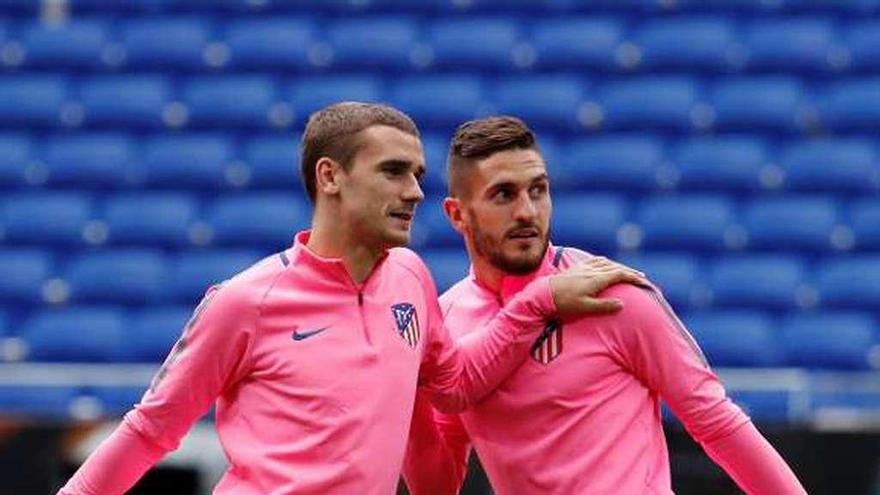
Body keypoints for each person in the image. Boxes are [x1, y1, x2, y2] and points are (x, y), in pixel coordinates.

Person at [56, 103, 649, 495]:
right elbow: (150, 430)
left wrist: (538, 300)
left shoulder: (411, 279)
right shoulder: (245, 301)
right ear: (330, 177)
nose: (415, 191)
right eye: (394, 172)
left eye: (418, 173)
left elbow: (457, 385)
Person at [403, 116, 807, 495]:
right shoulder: (449, 318)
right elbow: (437, 483)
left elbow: (716, 421)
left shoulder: (612, 292)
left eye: (538, 190)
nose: (527, 211)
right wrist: (403, 383)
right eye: (504, 194)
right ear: (458, 215)